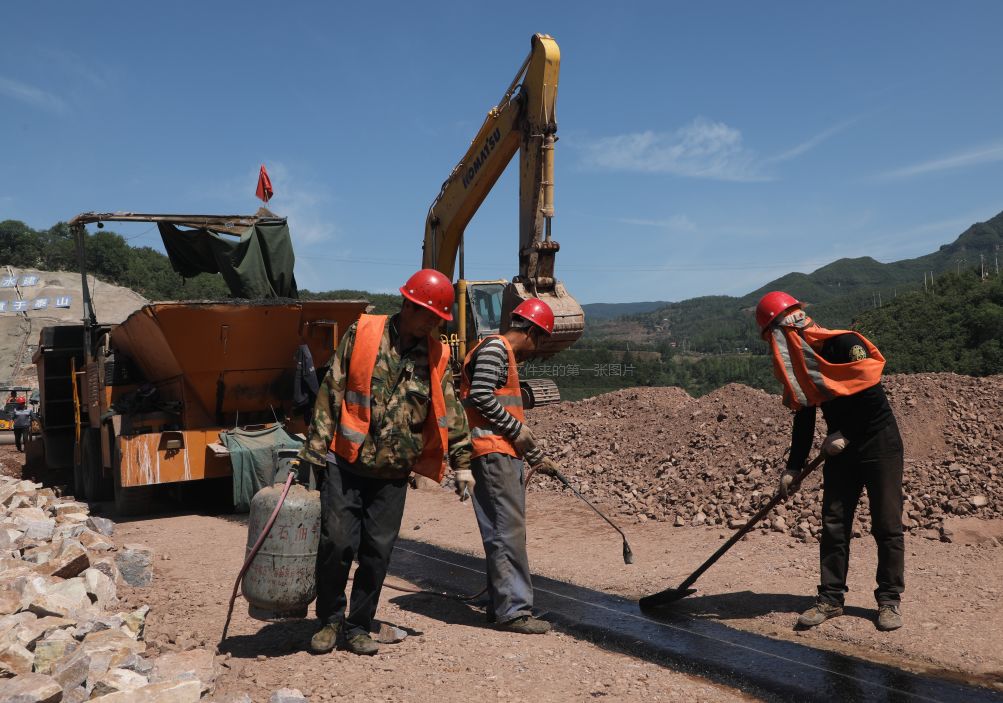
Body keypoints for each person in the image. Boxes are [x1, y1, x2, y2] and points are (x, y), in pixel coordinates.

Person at [298, 269, 474, 656]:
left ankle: (358, 626)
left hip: (394, 473)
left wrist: (462, 462)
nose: (433, 324)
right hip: (347, 462)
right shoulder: (362, 332)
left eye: (438, 319)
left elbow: (449, 411)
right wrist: (312, 452)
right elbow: (332, 390)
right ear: (408, 305)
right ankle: (328, 620)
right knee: (338, 544)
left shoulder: (436, 352)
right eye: (429, 315)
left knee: (378, 553)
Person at [756, 291, 905, 632]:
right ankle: (831, 599)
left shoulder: (846, 344)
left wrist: (846, 433)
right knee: (835, 522)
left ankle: (889, 600)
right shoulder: (802, 362)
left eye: (774, 335)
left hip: (879, 441)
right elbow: (804, 417)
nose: (775, 345)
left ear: (790, 322)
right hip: (840, 447)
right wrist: (793, 468)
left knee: (886, 524)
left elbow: (871, 400)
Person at [460, 298, 559, 635]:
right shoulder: (496, 350)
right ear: (531, 331)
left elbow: (502, 411)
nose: (537, 349)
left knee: (500, 531)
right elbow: (482, 396)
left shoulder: (497, 351)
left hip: (498, 451)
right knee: (507, 532)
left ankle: (500, 604)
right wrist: (519, 433)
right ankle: (514, 611)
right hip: (493, 452)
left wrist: (534, 456)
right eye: (540, 340)